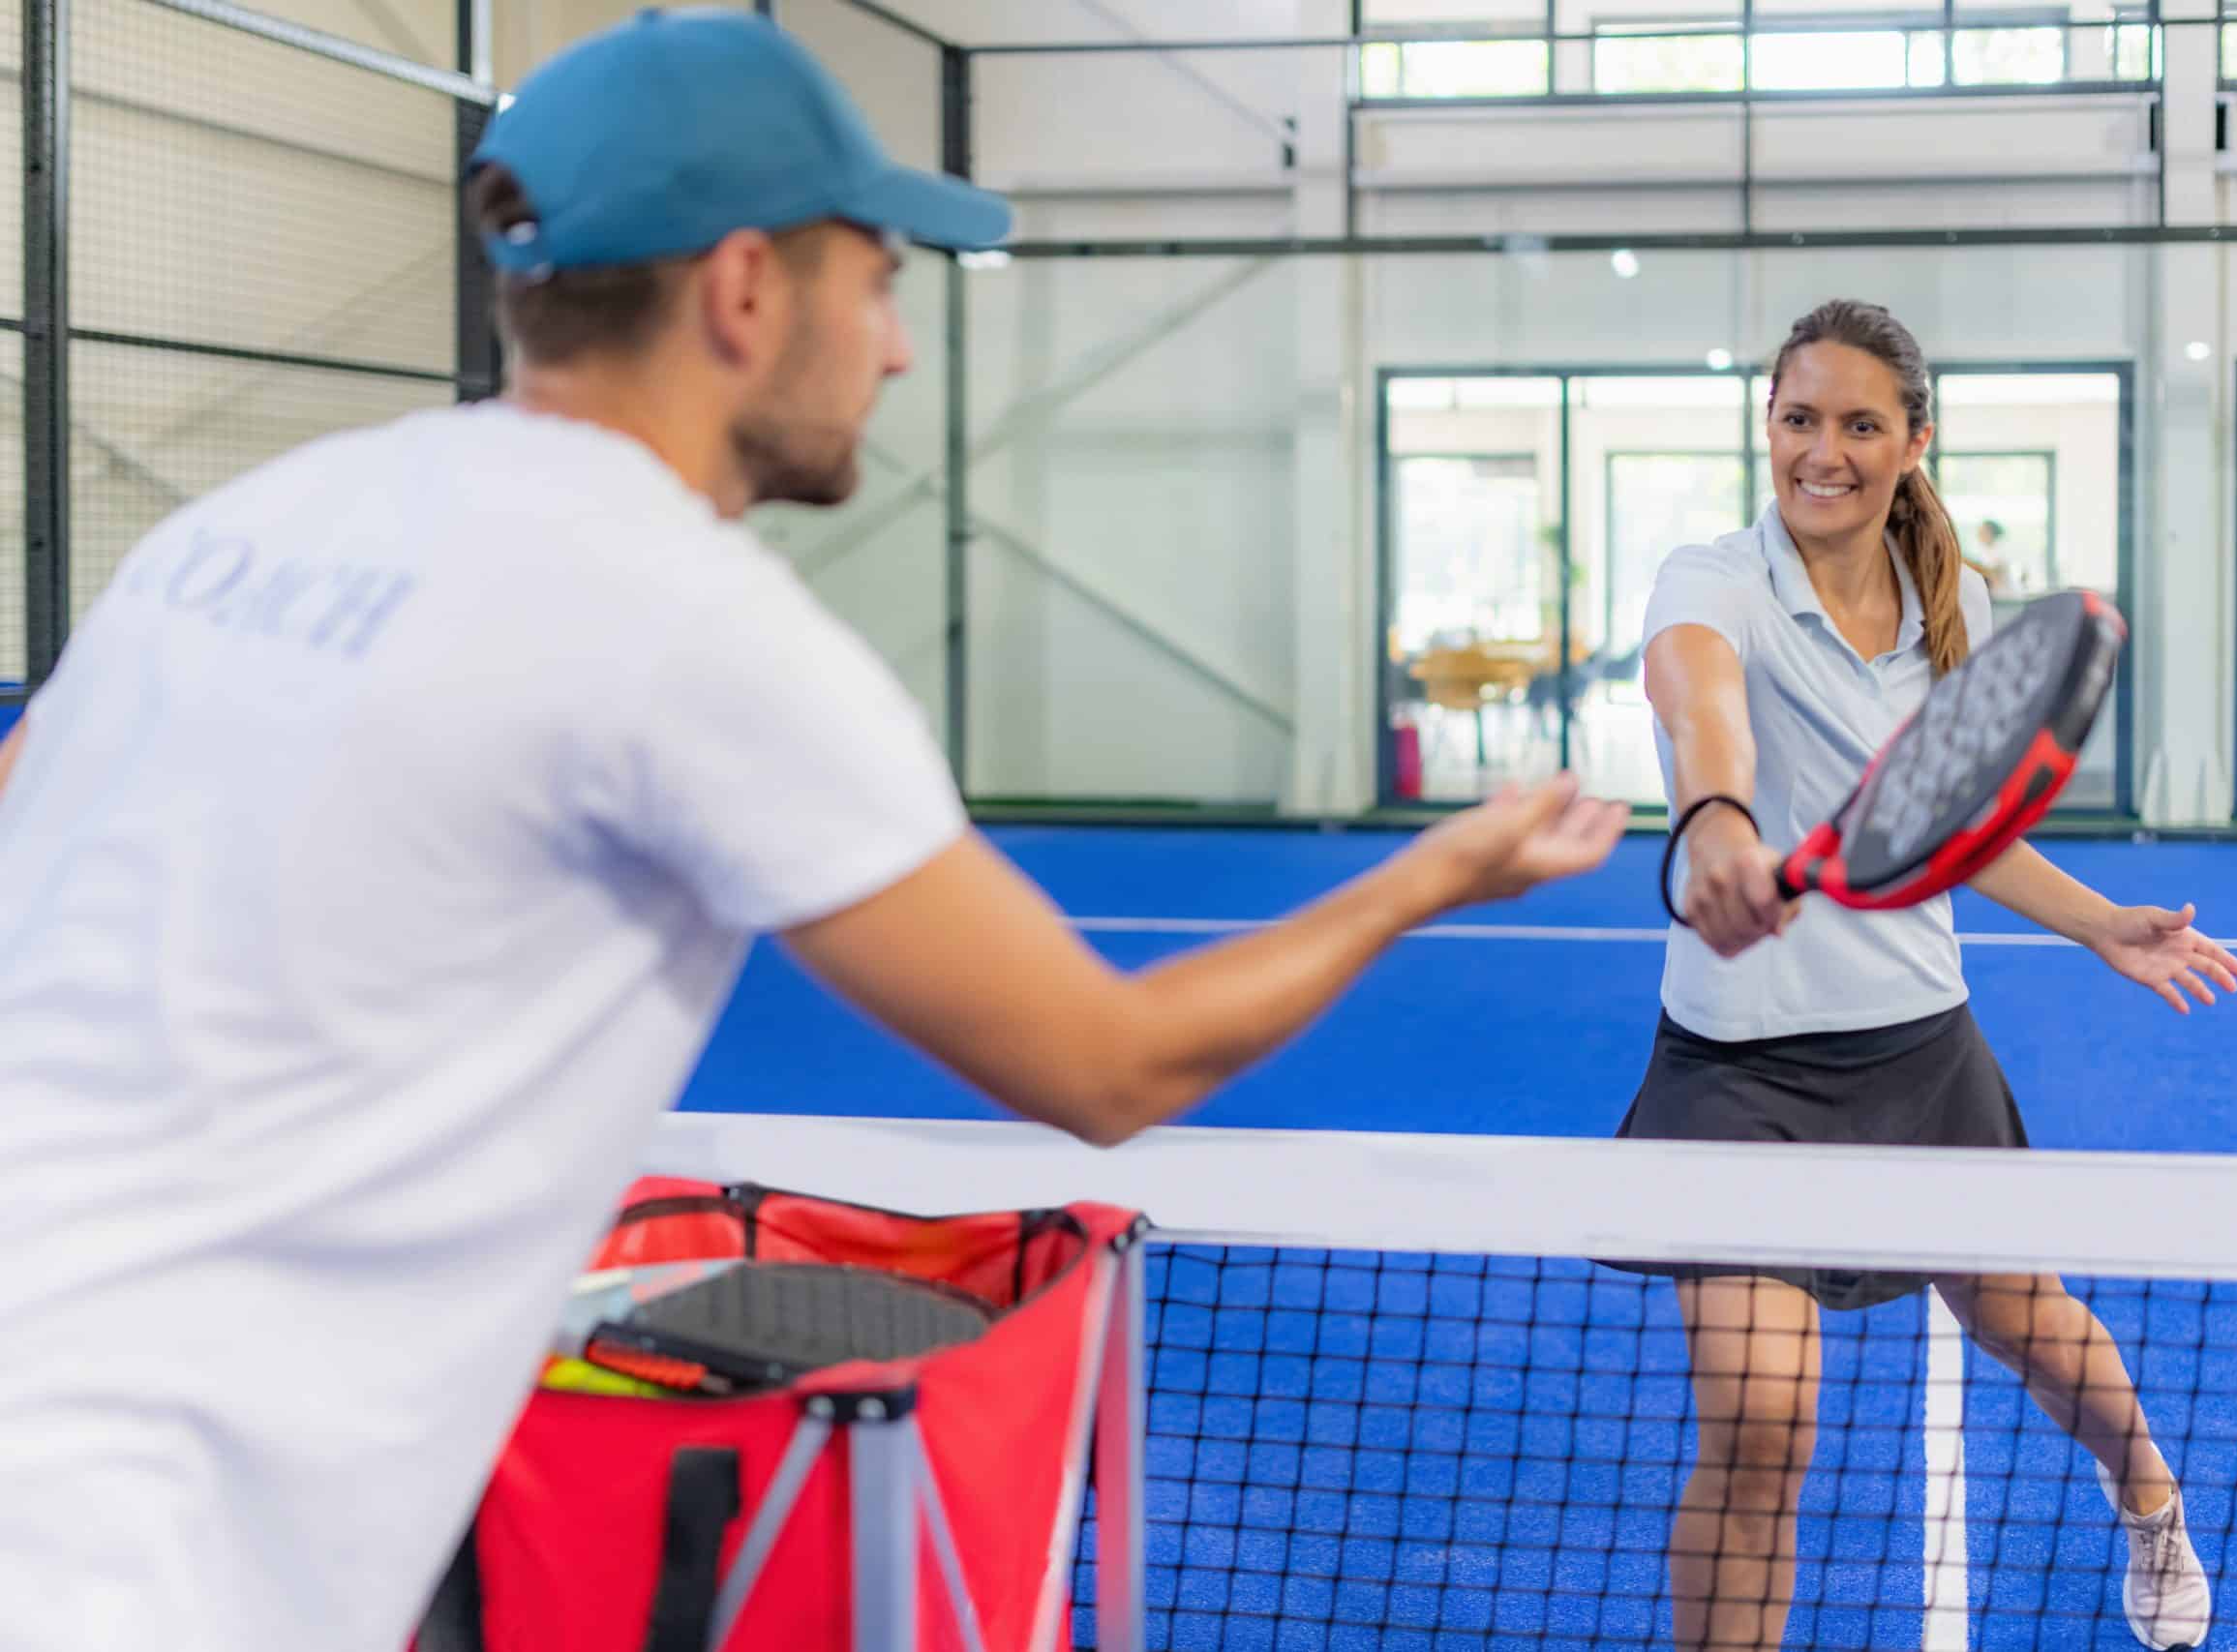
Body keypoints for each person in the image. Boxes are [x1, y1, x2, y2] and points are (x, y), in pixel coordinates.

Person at [0, 14, 1628, 1650]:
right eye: (881, 283)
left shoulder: (252, 524)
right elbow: (1106, 1066)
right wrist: (1439, 872)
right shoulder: (684, 619)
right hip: (132, 1554)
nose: (898, 349)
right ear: (744, 292)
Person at [1610, 299, 2237, 1652]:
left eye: (1857, 424)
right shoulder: (1709, 579)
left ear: (1912, 444)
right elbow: (1694, 695)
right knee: (1761, 1425)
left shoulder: (1958, 615)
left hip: (1915, 1054)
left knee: (2034, 1329)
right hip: (1735, 1072)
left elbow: (1951, 829)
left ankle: (2149, 1499)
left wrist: (2097, 924)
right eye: (1798, 418)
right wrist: (1716, 817)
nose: (1821, 450)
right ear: (1766, 426)